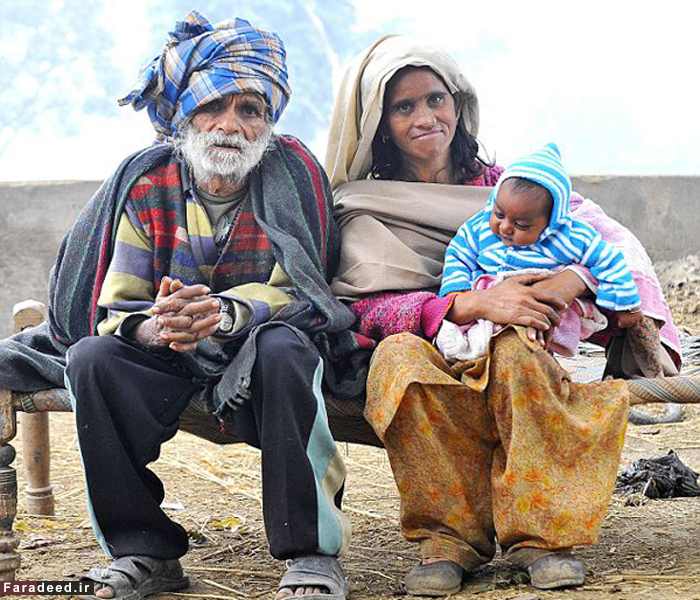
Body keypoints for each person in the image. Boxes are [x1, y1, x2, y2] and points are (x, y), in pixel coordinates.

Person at [1, 12, 353, 600]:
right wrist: (153, 327)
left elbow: (302, 290)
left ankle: (312, 555)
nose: (229, 126)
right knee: (92, 359)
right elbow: (119, 302)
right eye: (212, 108)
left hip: (260, 350)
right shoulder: (148, 183)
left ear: (269, 121)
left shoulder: (294, 175)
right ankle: (143, 551)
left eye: (249, 110)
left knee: (286, 348)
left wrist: (224, 313)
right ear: (184, 118)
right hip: (169, 352)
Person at [324, 35, 684, 596]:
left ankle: (539, 538)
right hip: (438, 341)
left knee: (518, 349)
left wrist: (577, 280)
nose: (426, 117)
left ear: (459, 104)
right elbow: (360, 309)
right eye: (404, 106)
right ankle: (448, 539)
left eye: (436, 100)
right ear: (378, 122)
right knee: (396, 360)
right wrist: (468, 303)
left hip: (525, 343)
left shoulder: (509, 187)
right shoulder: (362, 204)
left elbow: (610, 247)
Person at [437, 142, 644, 362]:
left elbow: (608, 259)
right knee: (461, 337)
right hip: (490, 293)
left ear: (550, 222)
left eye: (522, 225)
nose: (505, 227)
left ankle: (537, 359)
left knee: (535, 336)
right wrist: (457, 290)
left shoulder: (569, 237)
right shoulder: (479, 227)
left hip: (543, 303)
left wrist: (625, 305)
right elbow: (459, 254)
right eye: (499, 214)